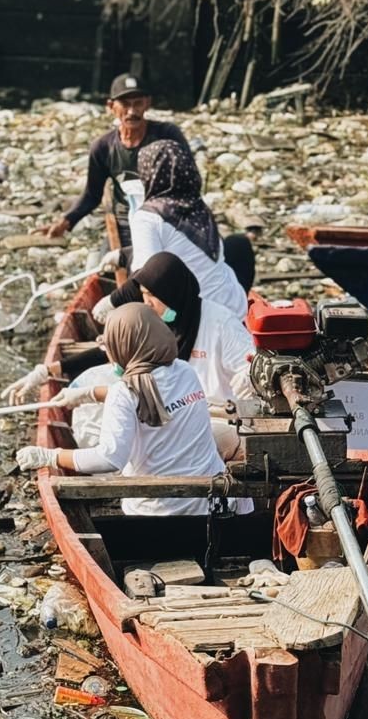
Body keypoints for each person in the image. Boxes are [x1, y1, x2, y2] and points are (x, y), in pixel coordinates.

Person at [16, 304, 243, 517]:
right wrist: (90, 393)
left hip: (156, 512)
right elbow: (151, 395)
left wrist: (51, 456)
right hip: (210, 504)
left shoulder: (124, 393)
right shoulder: (185, 371)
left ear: (124, 346)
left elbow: (108, 459)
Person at [43, 74, 194, 246]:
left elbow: (189, 184)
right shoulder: (103, 148)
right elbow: (92, 195)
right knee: (98, 267)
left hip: (166, 223)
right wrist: (66, 221)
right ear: (111, 106)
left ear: (147, 103)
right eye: (125, 104)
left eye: (138, 103)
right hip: (126, 225)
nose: (132, 112)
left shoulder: (166, 136)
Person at [95, 252, 255, 407]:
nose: (147, 302)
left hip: (219, 413)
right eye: (144, 294)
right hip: (174, 411)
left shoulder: (220, 322)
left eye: (152, 294)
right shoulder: (154, 324)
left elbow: (250, 364)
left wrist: (248, 377)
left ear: (171, 293)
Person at [130, 139, 247, 320]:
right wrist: (123, 255)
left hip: (196, 322)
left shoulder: (147, 218)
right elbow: (179, 246)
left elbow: (146, 280)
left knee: (124, 318)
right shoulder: (198, 206)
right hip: (236, 310)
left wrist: (113, 302)